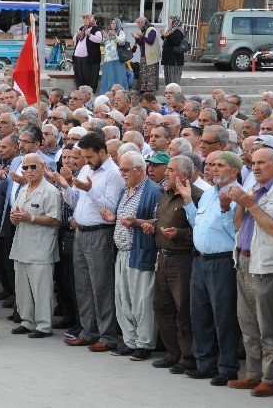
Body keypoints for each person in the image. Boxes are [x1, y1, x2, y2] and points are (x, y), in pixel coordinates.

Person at [227, 147, 273, 397]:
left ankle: (271, 379)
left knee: (267, 328)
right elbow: (239, 224)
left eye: (262, 162)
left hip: (266, 267)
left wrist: (250, 204)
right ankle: (253, 375)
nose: (256, 167)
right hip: (243, 260)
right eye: (253, 162)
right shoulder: (254, 188)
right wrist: (241, 204)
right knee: (247, 324)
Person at [180, 151, 242, 386]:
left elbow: (235, 233)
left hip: (222, 262)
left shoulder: (237, 195)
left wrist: (227, 210)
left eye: (220, 165)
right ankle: (204, 364)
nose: (213, 169)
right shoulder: (207, 194)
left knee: (223, 316)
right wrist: (187, 201)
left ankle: (227, 367)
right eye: (211, 164)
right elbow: (197, 222)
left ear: (234, 171)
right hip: (200, 260)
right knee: (200, 313)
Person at [58, 131, 124, 351]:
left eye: (89, 157)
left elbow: (110, 207)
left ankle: (107, 336)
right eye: (83, 158)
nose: (85, 162)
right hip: (81, 233)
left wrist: (90, 189)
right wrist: (66, 186)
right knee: (83, 286)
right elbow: (78, 200)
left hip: (100, 233)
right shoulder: (88, 169)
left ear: (103, 152)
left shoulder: (114, 174)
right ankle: (88, 331)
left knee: (101, 287)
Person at [146, 155, 203, 373]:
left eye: (170, 170)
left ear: (184, 175)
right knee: (162, 307)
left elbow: (200, 231)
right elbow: (160, 221)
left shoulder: (197, 197)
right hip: (162, 257)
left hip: (183, 260)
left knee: (183, 310)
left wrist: (179, 234)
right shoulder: (165, 195)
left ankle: (188, 357)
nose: (166, 173)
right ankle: (172, 353)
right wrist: (153, 228)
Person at [102, 151, 162, 360]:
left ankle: (144, 344)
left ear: (139, 169)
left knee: (141, 301)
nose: (122, 174)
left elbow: (159, 223)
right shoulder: (127, 190)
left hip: (141, 252)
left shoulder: (154, 191)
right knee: (123, 299)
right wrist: (114, 217)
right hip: (122, 252)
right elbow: (123, 217)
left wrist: (137, 222)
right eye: (121, 170)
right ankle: (130, 340)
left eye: (125, 170)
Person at [9, 153, 60, 338]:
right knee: (22, 288)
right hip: (22, 245)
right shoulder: (23, 190)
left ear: (42, 166)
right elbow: (15, 213)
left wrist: (30, 218)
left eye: (33, 167)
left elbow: (54, 218)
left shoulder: (50, 191)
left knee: (42, 289)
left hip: (41, 247)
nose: (29, 171)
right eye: (25, 167)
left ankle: (44, 325)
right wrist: (14, 217)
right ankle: (27, 321)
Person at [72, 14, 102, 93]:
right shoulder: (82, 28)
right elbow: (74, 40)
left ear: (91, 20)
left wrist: (89, 35)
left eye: (87, 18)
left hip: (89, 58)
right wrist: (77, 35)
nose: (85, 20)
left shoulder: (96, 29)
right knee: (79, 76)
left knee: (89, 76)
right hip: (78, 57)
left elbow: (99, 40)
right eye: (84, 18)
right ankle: (80, 91)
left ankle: (89, 93)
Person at [132, 16, 161, 93]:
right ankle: (144, 91)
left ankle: (150, 92)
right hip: (144, 56)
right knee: (144, 74)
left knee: (150, 74)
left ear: (141, 23)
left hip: (151, 56)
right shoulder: (144, 30)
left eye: (138, 24)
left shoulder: (151, 29)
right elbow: (142, 44)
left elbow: (150, 41)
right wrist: (137, 39)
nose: (137, 27)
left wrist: (140, 36)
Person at [99, 18, 128, 94]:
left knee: (117, 76)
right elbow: (103, 43)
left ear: (118, 24)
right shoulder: (109, 33)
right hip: (108, 59)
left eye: (114, 23)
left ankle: (118, 92)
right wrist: (105, 36)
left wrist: (114, 35)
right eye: (112, 23)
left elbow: (122, 42)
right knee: (108, 76)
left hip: (116, 59)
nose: (112, 24)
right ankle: (107, 92)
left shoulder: (120, 32)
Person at [161, 16, 185, 86]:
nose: (169, 22)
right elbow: (168, 41)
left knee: (173, 76)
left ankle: (174, 92)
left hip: (174, 59)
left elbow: (176, 42)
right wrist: (164, 36)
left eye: (170, 20)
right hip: (169, 58)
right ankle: (169, 90)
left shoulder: (178, 31)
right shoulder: (171, 29)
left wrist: (166, 36)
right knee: (168, 76)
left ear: (175, 21)